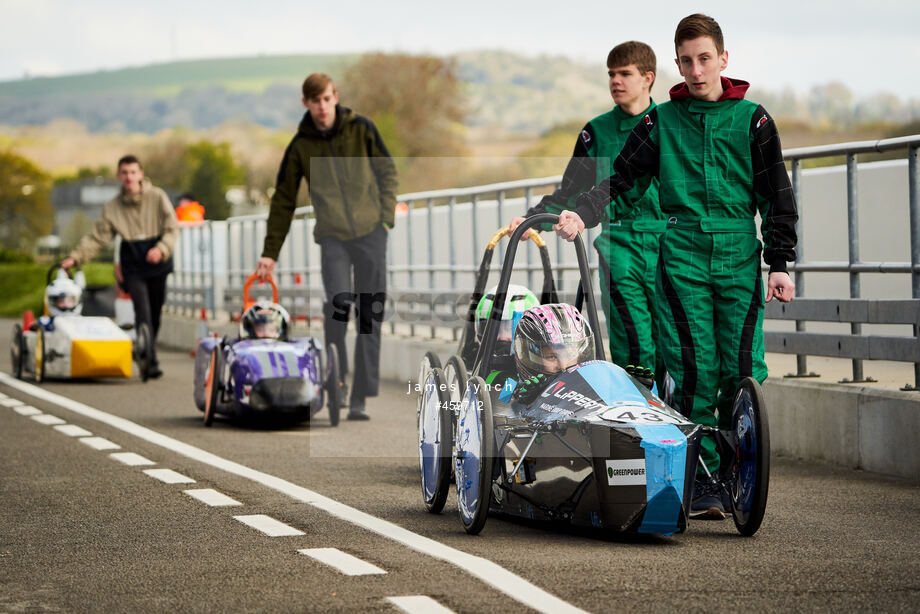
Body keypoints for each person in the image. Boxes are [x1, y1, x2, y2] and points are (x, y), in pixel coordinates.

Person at [554, 14, 798, 519]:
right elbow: (621, 180)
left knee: (741, 370)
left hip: (738, 253)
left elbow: (777, 195)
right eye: (686, 61)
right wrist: (583, 213)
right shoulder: (660, 120)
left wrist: (779, 261)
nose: (695, 70)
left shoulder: (754, 120)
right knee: (692, 370)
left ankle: (739, 470)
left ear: (723, 59)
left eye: (704, 58)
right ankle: (703, 480)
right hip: (681, 252)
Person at [510, 41, 663, 389]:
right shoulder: (595, 132)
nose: (616, 81)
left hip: (670, 241)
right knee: (635, 341)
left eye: (625, 73)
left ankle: (677, 424)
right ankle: (635, 425)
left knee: (675, 341)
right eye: (611, 74)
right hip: (620, 242)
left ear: (648, 78)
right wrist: (530, 218)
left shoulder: (667, 125)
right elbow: (569, 192)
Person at [254, 73, 398, 421]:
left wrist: (385, 219)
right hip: (333, 236)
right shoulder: (301, 147)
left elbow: (387, 172)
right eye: (315, 101)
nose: (322, 107)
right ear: (306, 103)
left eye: (327, 99)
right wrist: (270, 252)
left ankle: (360, 395)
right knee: (338, 305)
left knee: (369, 313)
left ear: (336, 99)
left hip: (370, 233)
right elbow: (284, 201)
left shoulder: (362, 129)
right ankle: (338, 382)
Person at [62, 155, 179, 379]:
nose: (129, 177)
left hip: (157, 260)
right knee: (142, 311)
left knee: (155, 312)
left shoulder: (157, 197)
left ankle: (146, 347)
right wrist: (75, 258)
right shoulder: (113, 207)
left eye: (133, 172)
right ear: (118, 176)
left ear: (141, 174)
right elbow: (98, 238)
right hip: (133, 264)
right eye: (124, 173)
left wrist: (162, 249)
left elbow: (172, 227)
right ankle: (150, 359)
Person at [510, 303, 596, 404]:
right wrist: (524, 401)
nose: (563, 366)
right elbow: (501, 404)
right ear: (527, 356)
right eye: (551, 357)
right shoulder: (509, 385)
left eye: (569, 355)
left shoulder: (595, 382)